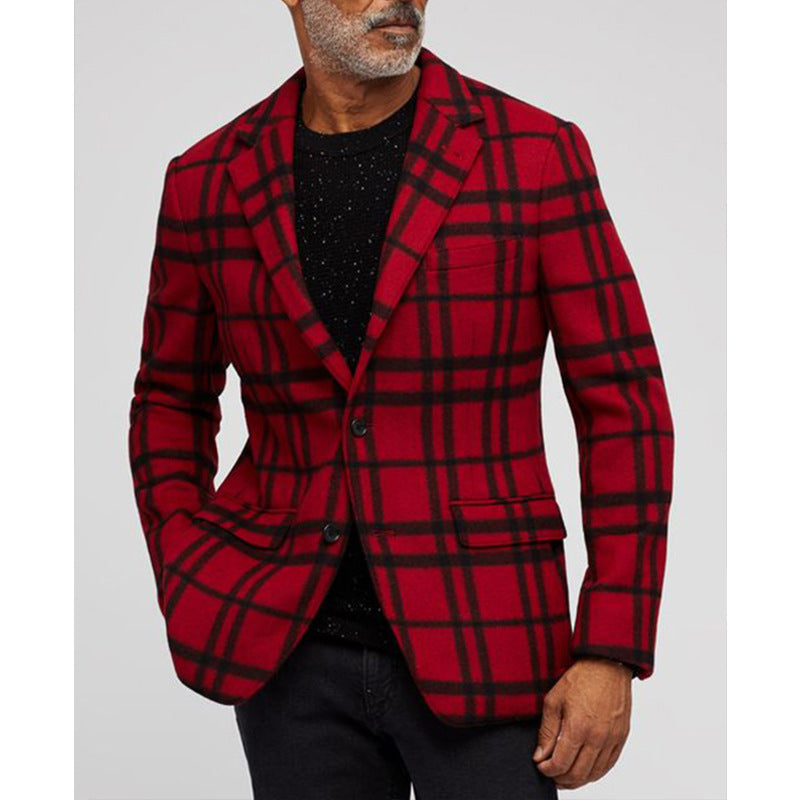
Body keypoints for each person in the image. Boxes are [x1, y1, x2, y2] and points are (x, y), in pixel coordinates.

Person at [127, 1, 675, 797]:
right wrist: (186, 559)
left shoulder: (533, 154)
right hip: (287, 649)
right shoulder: (206, 179)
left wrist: (611, 647)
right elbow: (169, 400)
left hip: (488, 635)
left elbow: (625, 406)